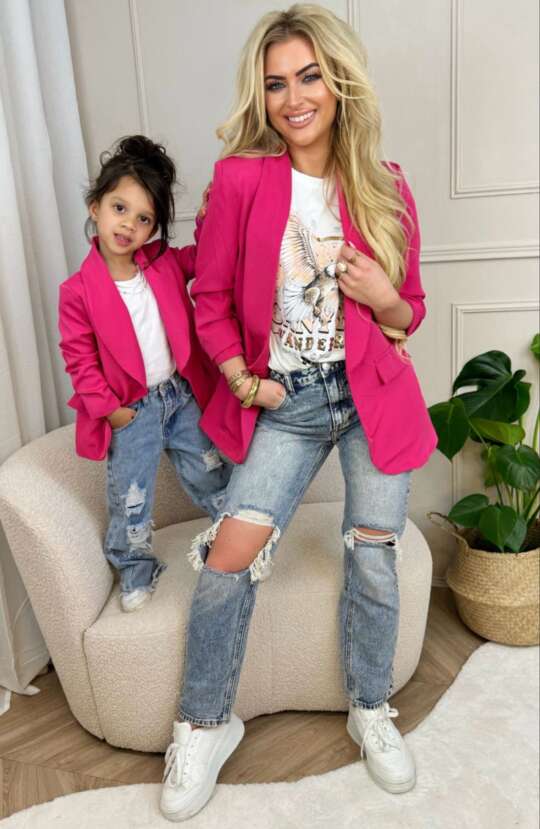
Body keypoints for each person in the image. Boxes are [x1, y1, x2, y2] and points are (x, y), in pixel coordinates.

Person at [160, 4, 438, 821]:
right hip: (289, 399)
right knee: (229, 558)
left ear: (339, 81)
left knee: (373, 554)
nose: (294, 98)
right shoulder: (242, 181)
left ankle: (370, 708)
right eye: (276, 83)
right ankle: (205, 723)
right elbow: (210, 299)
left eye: (309, 76)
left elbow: (409, 312)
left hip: (372, 392)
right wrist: (244, 381)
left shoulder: (386, 186)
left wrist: (382, 294)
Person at [58, 135, 230, 613]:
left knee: (211, 472)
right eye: (119, 208)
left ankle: (240, 541)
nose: (128, 225)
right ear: (95, 207)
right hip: (131, 410)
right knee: (131, 496)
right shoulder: (78, 291)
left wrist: (210, 213)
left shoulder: (162, 263)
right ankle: (135, 568)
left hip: (180, 396)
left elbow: (206, 255)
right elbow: (78, 357)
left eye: (144, 219)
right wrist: (109, 410)